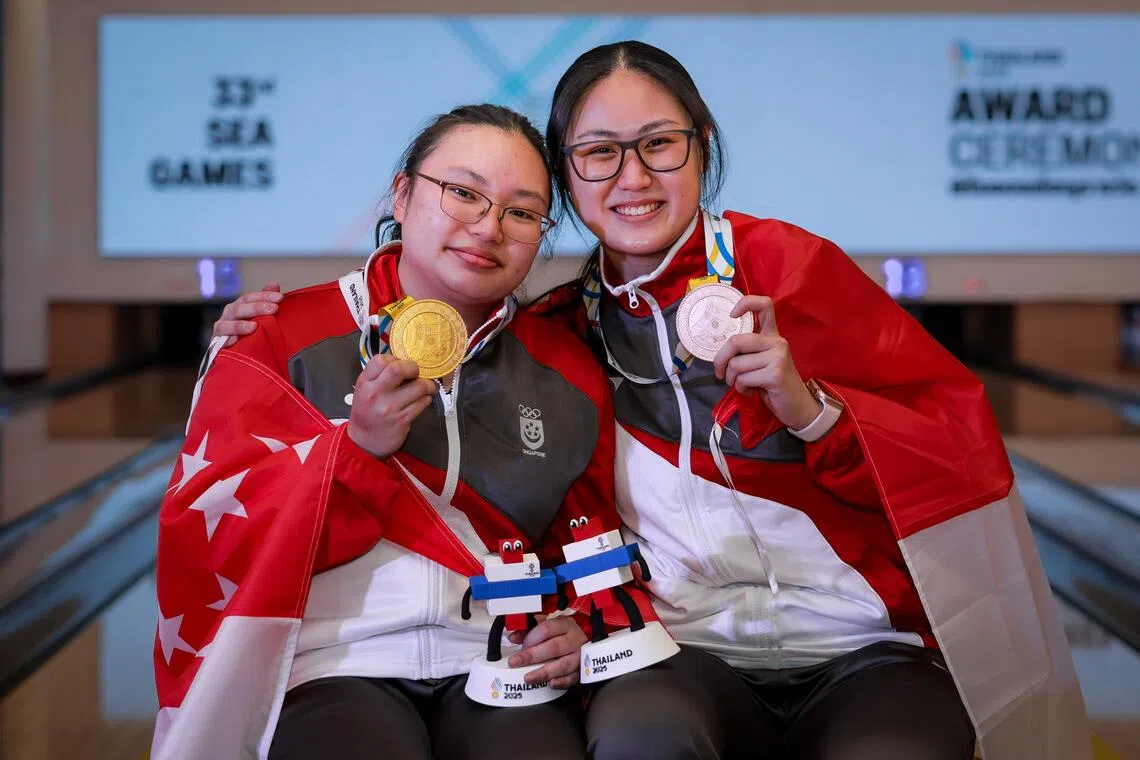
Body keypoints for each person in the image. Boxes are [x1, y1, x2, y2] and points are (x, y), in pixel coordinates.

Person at [214, 42, 1091, 760]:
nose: (631, 176)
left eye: (659, 144)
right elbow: (557, 525)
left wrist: (811, 409)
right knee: (642, 743)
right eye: (599, 153)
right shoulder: (563, 335)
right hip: (678, 651)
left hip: (863, 646)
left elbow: (951, 453)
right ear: (571, 175)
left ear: (700, 144)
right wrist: (243, 346)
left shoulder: (789, 268)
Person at [152, 103, 653, 760]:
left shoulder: (566, 372)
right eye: (464, 193)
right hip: (327, 666)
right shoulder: (278, 338)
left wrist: (583, 627)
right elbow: (209, 541)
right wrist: (352, 450)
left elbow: (588, 553)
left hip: (502, 664)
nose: (488, 227)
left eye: (522, 212)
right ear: (403, 191)